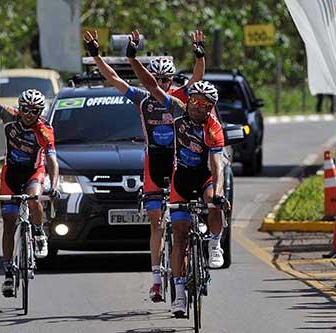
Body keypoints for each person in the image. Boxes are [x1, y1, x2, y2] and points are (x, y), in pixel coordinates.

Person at [83, 29, 206, 303]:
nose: (162, 83)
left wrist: (199, 53)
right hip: (154, 161)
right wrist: (96, 56)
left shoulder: (181, 98)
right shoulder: (142, 98)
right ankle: (156, 281)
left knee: (180, 222)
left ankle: (183, 265)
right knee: (155, 224)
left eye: (167, 79)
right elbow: (114, 79)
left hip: (178, 160)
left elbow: (198, 75)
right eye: (158, 79)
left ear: (173, 80)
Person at [124, 36, 229, 316]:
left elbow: (216, 163)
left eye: (204, 105)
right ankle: (180, 294)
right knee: (180, 236)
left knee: (214, 201)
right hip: (180, 177)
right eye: (194, 101)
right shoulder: (177, 110)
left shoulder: (213, 128)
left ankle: (215, 244)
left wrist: (218, 192)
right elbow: (150, 86)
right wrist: (133, 58)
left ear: (210, 108)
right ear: (189, 100)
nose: (197, 107)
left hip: (204, 177)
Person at [0, 52, 59, 297]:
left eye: (34, 111)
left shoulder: (44, 129)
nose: (29, 115)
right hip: (11, 173)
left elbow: (51, 159)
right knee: (8, 223)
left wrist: (55, 183)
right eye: (26, 110)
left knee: (34, 199)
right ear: (20, 108)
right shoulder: (10, 116)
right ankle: (8, 272)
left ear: (40, 112)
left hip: (33, 172)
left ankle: (39, 234)